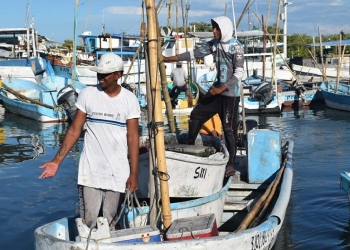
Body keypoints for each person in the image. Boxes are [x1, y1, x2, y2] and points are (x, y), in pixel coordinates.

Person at [39, 53, 140, 230]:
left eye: (105, 74)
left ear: (118, 75)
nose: (100, 78)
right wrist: (56, 162)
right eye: (99, 74)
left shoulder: (129, 100)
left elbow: (133, 137)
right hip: (90, 172)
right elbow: (74, 130)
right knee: (89, 221)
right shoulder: (87, 94)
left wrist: (134, 173)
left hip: (118, 173)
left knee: (111, 221)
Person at [162, 16, 244, 177]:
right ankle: (190, 148)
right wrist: (167, 58)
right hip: (216, 92)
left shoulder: (236, 47)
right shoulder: (214, 45)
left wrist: (222, 88)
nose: (214, 31)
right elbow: (195, 54)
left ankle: (230, 164)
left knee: (228, 129)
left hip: (229, 95)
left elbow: (239, 72)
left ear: (225, 29)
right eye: (213, 28)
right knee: (196, 115)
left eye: (217, 28)